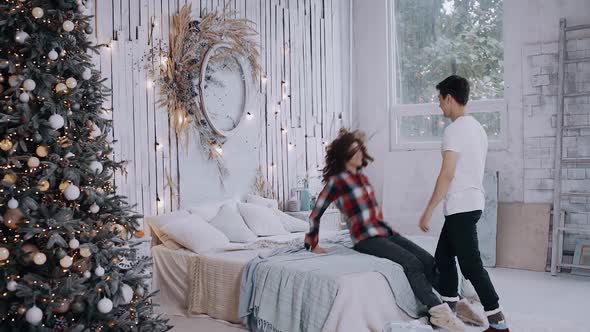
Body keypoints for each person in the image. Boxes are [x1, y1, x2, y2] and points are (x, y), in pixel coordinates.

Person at [304, 128, 466, 332]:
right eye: (354, 150)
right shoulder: (336, 183)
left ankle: (455, 303)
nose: (360, 153)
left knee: (427, 260)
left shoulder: (361, 178)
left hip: (384, 232)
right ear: (345, 155)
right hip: (365, 238)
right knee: (411, 263)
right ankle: (438, 311)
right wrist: (313, 243)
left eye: (360, 149)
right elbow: (315, 213)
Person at [419, 75, 509, 332]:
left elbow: (447, 174)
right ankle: (448, 312)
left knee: (470, 265)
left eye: (439, 100)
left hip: (462, 205)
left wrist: (428, 211)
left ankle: (498, 321)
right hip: (471, 202)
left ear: (450, 98)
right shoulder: (477, 128)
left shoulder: (454, 130)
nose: (439, 106)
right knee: (444, 257)